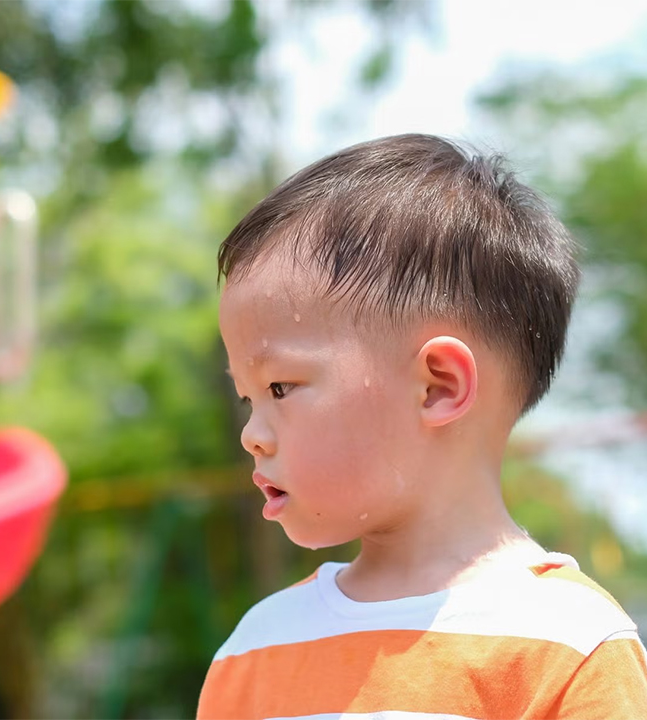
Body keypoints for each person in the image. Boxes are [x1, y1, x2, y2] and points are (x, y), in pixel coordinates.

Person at [197, 134, 647, 719]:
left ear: (438, 386)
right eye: (247, 398)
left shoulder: (569, 645)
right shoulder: (257, 648)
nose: (251, 435)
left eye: (279, 388)